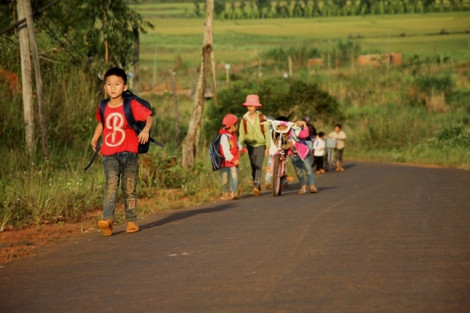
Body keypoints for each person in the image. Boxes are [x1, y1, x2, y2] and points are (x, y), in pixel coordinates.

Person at [90, 67, 154, 237]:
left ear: (125, 87)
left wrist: (145, 130)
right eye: (109, 84)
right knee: (111, 185)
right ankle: (108, 220)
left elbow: (149, 117)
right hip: (109, 154)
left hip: (130, 154)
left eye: (117, 84)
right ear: (105, 87)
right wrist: (95, 138)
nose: (113, 88)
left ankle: (131, 221)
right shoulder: (103, 106)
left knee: (130, 188)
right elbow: (102, 123)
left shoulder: (131, 104)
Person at [238, 95, 270, 196]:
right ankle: (257, 185)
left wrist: (267, 147)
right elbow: (241, 135)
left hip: (261, 145)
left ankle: (256, 186)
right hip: (250, 146)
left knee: (258, 166)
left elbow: (267, 133)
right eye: (248, 105)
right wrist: (240, 147)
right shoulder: (244, 119)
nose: (250, 107)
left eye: (252, 105)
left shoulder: (262, 118)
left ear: (256, 106)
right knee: (253, 166)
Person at [218, 114, 246, 200]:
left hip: (233, 162)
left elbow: (236, 144)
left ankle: (233, 193)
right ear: (232, 126)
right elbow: (226, 151)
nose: (237, 125)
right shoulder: (224, 137)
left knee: (234, 176)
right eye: (236, 124)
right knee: (225, 178)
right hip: (225, 162)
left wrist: (242, 149)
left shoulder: (233, 135)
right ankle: (225, 193)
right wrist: (233, 159)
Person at [290, 120, 318, 194]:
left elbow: (304, 135)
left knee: (308, 169)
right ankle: (303, 187)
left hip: (303, 152)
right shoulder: (287, 131)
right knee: (299, 171)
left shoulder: (299, 130)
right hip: (294, 153)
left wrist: (304, 125)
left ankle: (312, 186)